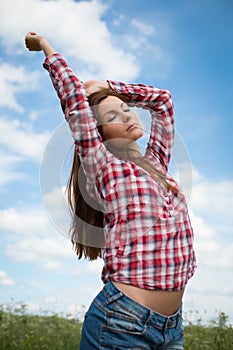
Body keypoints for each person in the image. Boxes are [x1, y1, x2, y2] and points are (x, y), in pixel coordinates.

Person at [25, 32, 196, 349]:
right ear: (100, 133)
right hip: (121, 322)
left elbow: (163, 101)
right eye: (113, 116)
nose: (127, 115)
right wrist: (47, 48)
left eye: (126, 109)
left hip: (172, 329)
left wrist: (111, 88)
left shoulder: (157, 161)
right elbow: (75, 103)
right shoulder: (102, 164)